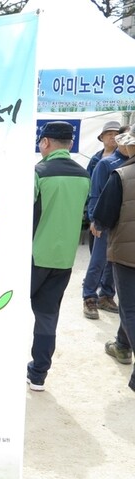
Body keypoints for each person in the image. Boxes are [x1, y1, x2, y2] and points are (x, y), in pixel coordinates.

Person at [28, 121, 90, 391]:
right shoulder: (84, 175)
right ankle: (38, 374)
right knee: (47, 315)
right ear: (70, 144)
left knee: (10, 310)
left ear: (45, 142)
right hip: (64, 259)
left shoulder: (39, 173)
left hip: (34, 256)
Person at [90, 130, 135, 387]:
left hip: (127, 255)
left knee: (129, 308)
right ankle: (122, 345)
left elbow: (103, 216)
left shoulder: (121, 175)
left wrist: (97, 224)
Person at [82, 128, 131, 319]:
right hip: (105, 220)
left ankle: (106, 295)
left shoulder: (130, 163)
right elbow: (95, 193)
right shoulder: (106, 163)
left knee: (114, 262)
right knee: (98, 260)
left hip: (124, 223)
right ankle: (89, 297)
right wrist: (95, 219)